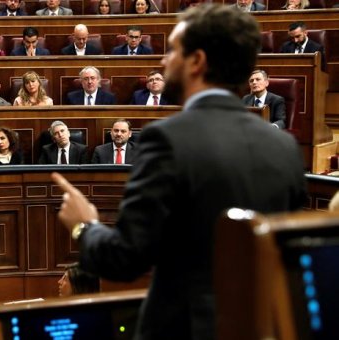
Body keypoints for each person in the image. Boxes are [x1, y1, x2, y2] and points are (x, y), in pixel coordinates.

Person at [51, 5, 306, 339]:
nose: (161, 61)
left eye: (171, 50)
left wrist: (83, 226)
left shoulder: (167, 139)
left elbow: (125, 259)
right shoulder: (284, 147)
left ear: (196, 61)